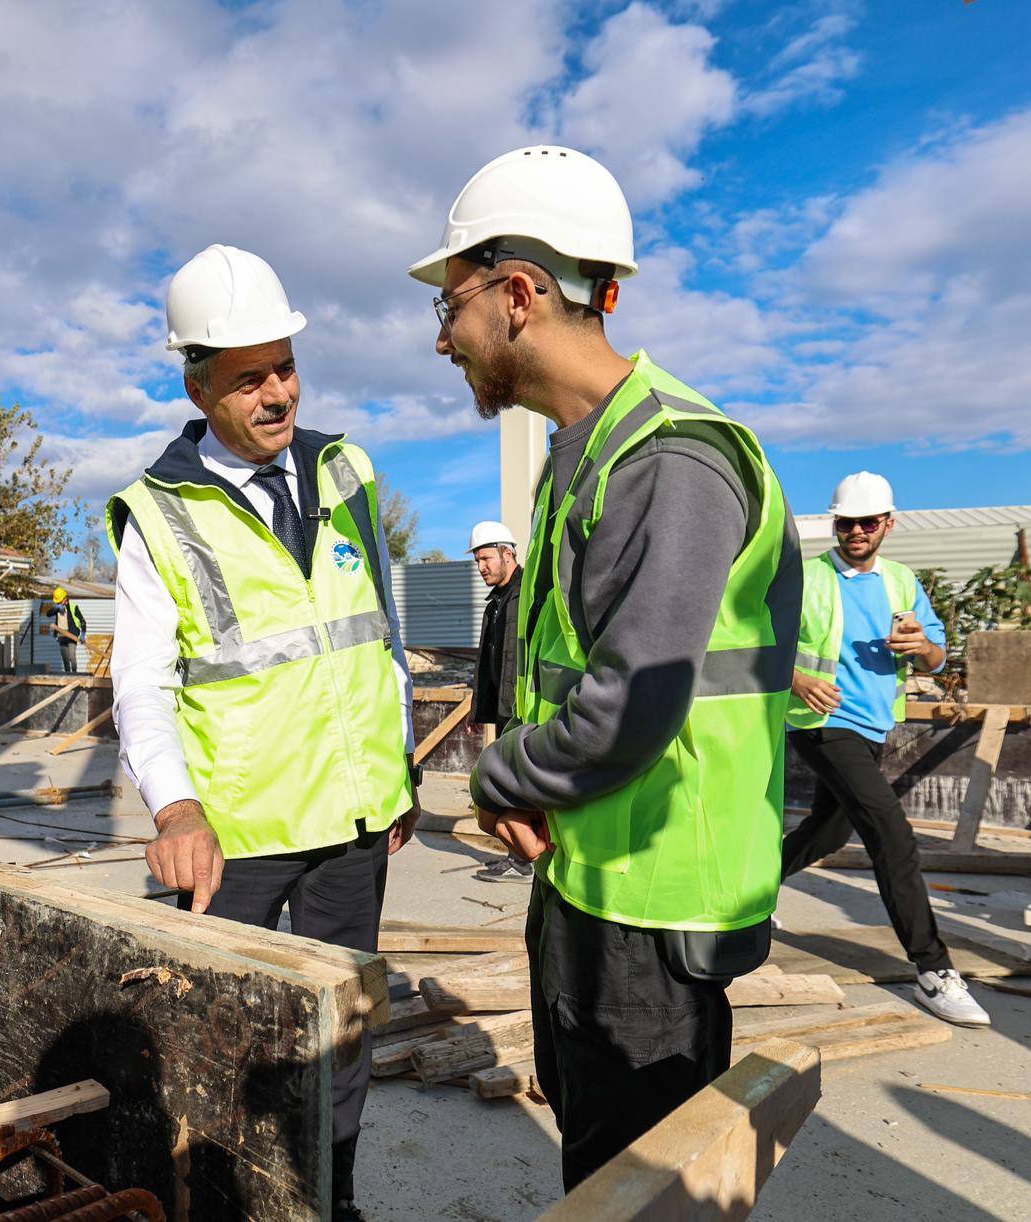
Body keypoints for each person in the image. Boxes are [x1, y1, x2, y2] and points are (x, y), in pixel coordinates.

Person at [409, 146, 801, 1190]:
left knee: (644, 1196)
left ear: (521, 294)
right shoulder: (585, 455)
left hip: (658, 916)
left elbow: (628, 703)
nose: (443, 339)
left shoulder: (668, 457)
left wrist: (499, 778)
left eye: (450, 308)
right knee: (599, 1177)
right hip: (592, 884)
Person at [107, 244, 420, 1221]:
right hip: (232, 835)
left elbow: (380, 631)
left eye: (284, 365)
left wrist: (397, 765)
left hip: (353, 823)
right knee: (209, 1044)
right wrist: (176, 807)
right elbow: (139, 682)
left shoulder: (346, 469)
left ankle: (331, 1199)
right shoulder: (159, 514)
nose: (276, 391)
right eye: (249, 377)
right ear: (197, 384)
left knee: (342, 1037)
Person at [784, 471, 989, 1026]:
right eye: (846, 522)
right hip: (821, 721)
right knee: (891, 833)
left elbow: (937, 657)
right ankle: (933, 969)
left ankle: (745, 898)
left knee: (829, 830)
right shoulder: (807, 579)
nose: (856, 531)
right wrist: (798, 679)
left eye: (867, 522)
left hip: (874, 726)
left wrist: (923, 645)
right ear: (836, 523)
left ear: (888, 525)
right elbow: (760, 643)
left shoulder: (902, 582)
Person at [466, 521, 529, 882]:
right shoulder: (498, 601)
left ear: (508, 554)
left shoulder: (526, 595)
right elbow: (490, 659)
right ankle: (517, 856)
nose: (481, 567)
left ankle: (523, 861)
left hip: (521, 709)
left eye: (487, 558)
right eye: (477, 561)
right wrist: (480, 707)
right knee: (508, 784)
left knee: (518, 785)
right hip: (504, 709)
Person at [50, 587, 86, 673]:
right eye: (57, 601)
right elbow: (48, 614)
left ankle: (74, 674)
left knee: (71, 656)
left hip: (72, 635)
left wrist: (83, 633)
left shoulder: (73, 607)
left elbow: (82, 621)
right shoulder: (58, 608)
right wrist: (55, 608)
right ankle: (67, 675)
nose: (58, 602)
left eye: (59, 601)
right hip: (61, 635)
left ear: (65, 598)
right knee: (65, 659)